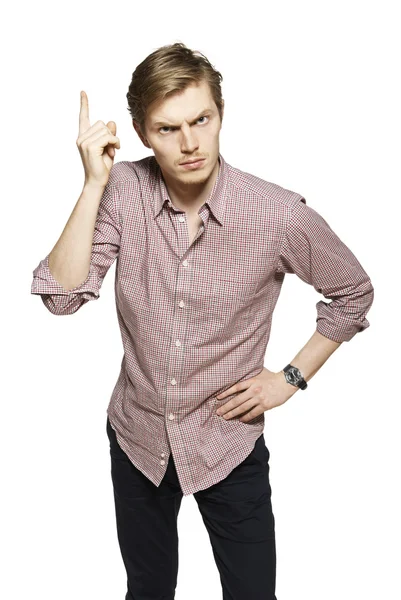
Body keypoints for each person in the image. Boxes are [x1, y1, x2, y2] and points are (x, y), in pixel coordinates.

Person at [30, 42, 374, 600]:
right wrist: (93, 183)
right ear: (142, 133)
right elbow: (63, 298)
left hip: (226, 441)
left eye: (201, 120)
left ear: (220, 115)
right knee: (148, 590)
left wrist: (289, 378)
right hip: (138, 436)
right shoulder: (122, 192)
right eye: (168, 129)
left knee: (253, 593)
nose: (190, 143)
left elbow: (353, 291)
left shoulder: (277, 212)